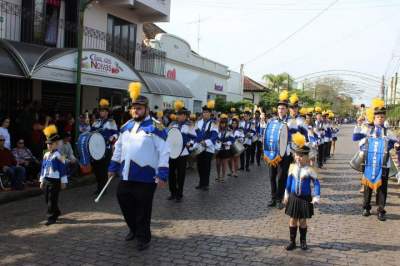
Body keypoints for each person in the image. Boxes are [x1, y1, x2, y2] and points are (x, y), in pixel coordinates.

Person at [108, 82, 169, 251]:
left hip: (146, 176)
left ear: (147, 110)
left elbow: (164, 151)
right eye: (134, 108)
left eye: (140, 108)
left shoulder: (156, 126)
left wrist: (162, 173)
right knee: (123, 200)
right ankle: (134, 229)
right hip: (127, 174)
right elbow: (118, 148)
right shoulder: (125, 126)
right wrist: (112, 167)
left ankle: (143, 237)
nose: (136, 111)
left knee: (143, 208)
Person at [353, 98, 400, 221]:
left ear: (385, 118)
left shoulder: (388, 132)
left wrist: (395, 145)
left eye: (382, 117)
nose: (380, 119)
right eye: (378, 117)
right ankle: (366, 207)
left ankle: (381, 210)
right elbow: (356, 138)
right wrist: (358, 125)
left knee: (382, 188)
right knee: (368, 185)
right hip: (369, 162)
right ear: (374, 118)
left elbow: (395, 143)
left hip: (383, 163)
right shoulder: (368, 130)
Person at [284, 132, 320, 251]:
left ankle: (303, 241)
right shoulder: (292, 167)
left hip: (305, 198)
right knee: (293, 220)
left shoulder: (310, 170)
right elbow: (288, 183)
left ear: (307, 157)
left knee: (303, 221)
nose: (298, 158)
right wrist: (286, 194)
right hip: (294, 197)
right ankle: (292, 241)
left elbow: (316, 183)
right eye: (297, 155)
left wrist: (316, 196)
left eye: (301, 156)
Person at [266, 91, 291, 209]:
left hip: (285, 153)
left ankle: (280, 198)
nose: (280, 110)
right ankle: (273, 198)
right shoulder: (272, 121)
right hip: (273, 153)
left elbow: (295, 136)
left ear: (286, 110)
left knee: (281, 177)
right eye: (279, 108)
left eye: (283, 108)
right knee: (272, 176)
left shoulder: (291, 121)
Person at [167, 101, 196, 202]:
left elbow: (194, 138)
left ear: (185, 115)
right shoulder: (172, 124)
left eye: (181, 114)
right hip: (172, 152)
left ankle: (179, 194)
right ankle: (173, 192)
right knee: (171, 173)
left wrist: (190, 144)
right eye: (178, 114)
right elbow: (168, 136)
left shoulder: (190, 125)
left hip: (183, 153)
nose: (179, 116)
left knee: (181, 174)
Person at [39, 125, 68, 226]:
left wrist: (63, 181)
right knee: (47, 198)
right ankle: (56, 211)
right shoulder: (46, 154)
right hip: (47, 179)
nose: (49, 146)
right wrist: (42, 180)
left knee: (52, 199)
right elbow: (43, 168)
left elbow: (63, 169)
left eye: (51, 144)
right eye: (48, 144)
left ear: (56, 144)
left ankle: (51, 217)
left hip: (55, 180)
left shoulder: (60, 155)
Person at [91, 99, 119, 195]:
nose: (102, 112)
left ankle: (103, 189)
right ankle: (99, 187)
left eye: (104, 111)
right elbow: (91, 132)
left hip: (106, 149)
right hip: (96, 149)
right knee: (96, 169)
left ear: (107, 112)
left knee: (103, 169)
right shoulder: (96, 122)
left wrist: (112, 138)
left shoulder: (111, 122)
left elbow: (116, 134)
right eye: (101, 111)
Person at [194, 100, 218, 191]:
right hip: (199, 148)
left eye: (207, 112)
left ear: (210, 113)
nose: (205, 114)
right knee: (199, 166)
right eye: (204, 112)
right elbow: (195, 134)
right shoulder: (198, 123)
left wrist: (206, 142)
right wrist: (195, 143)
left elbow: (215, 136)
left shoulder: (214, 123)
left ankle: (206, 184)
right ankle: (201, 183)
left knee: (206, 167)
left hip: (208, 149)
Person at [215, 114, 234, 183]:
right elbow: (215, 138)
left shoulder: (229, 130)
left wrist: (227, 143)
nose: (222, 125)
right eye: (221, 123)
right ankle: (218, 176)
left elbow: (232, 140)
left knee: (224, 164)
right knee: (217, 163)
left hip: (225, 149)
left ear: (226, 124)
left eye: (224, 123)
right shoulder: (217, 130)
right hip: (218, 149)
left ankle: (223, 177)